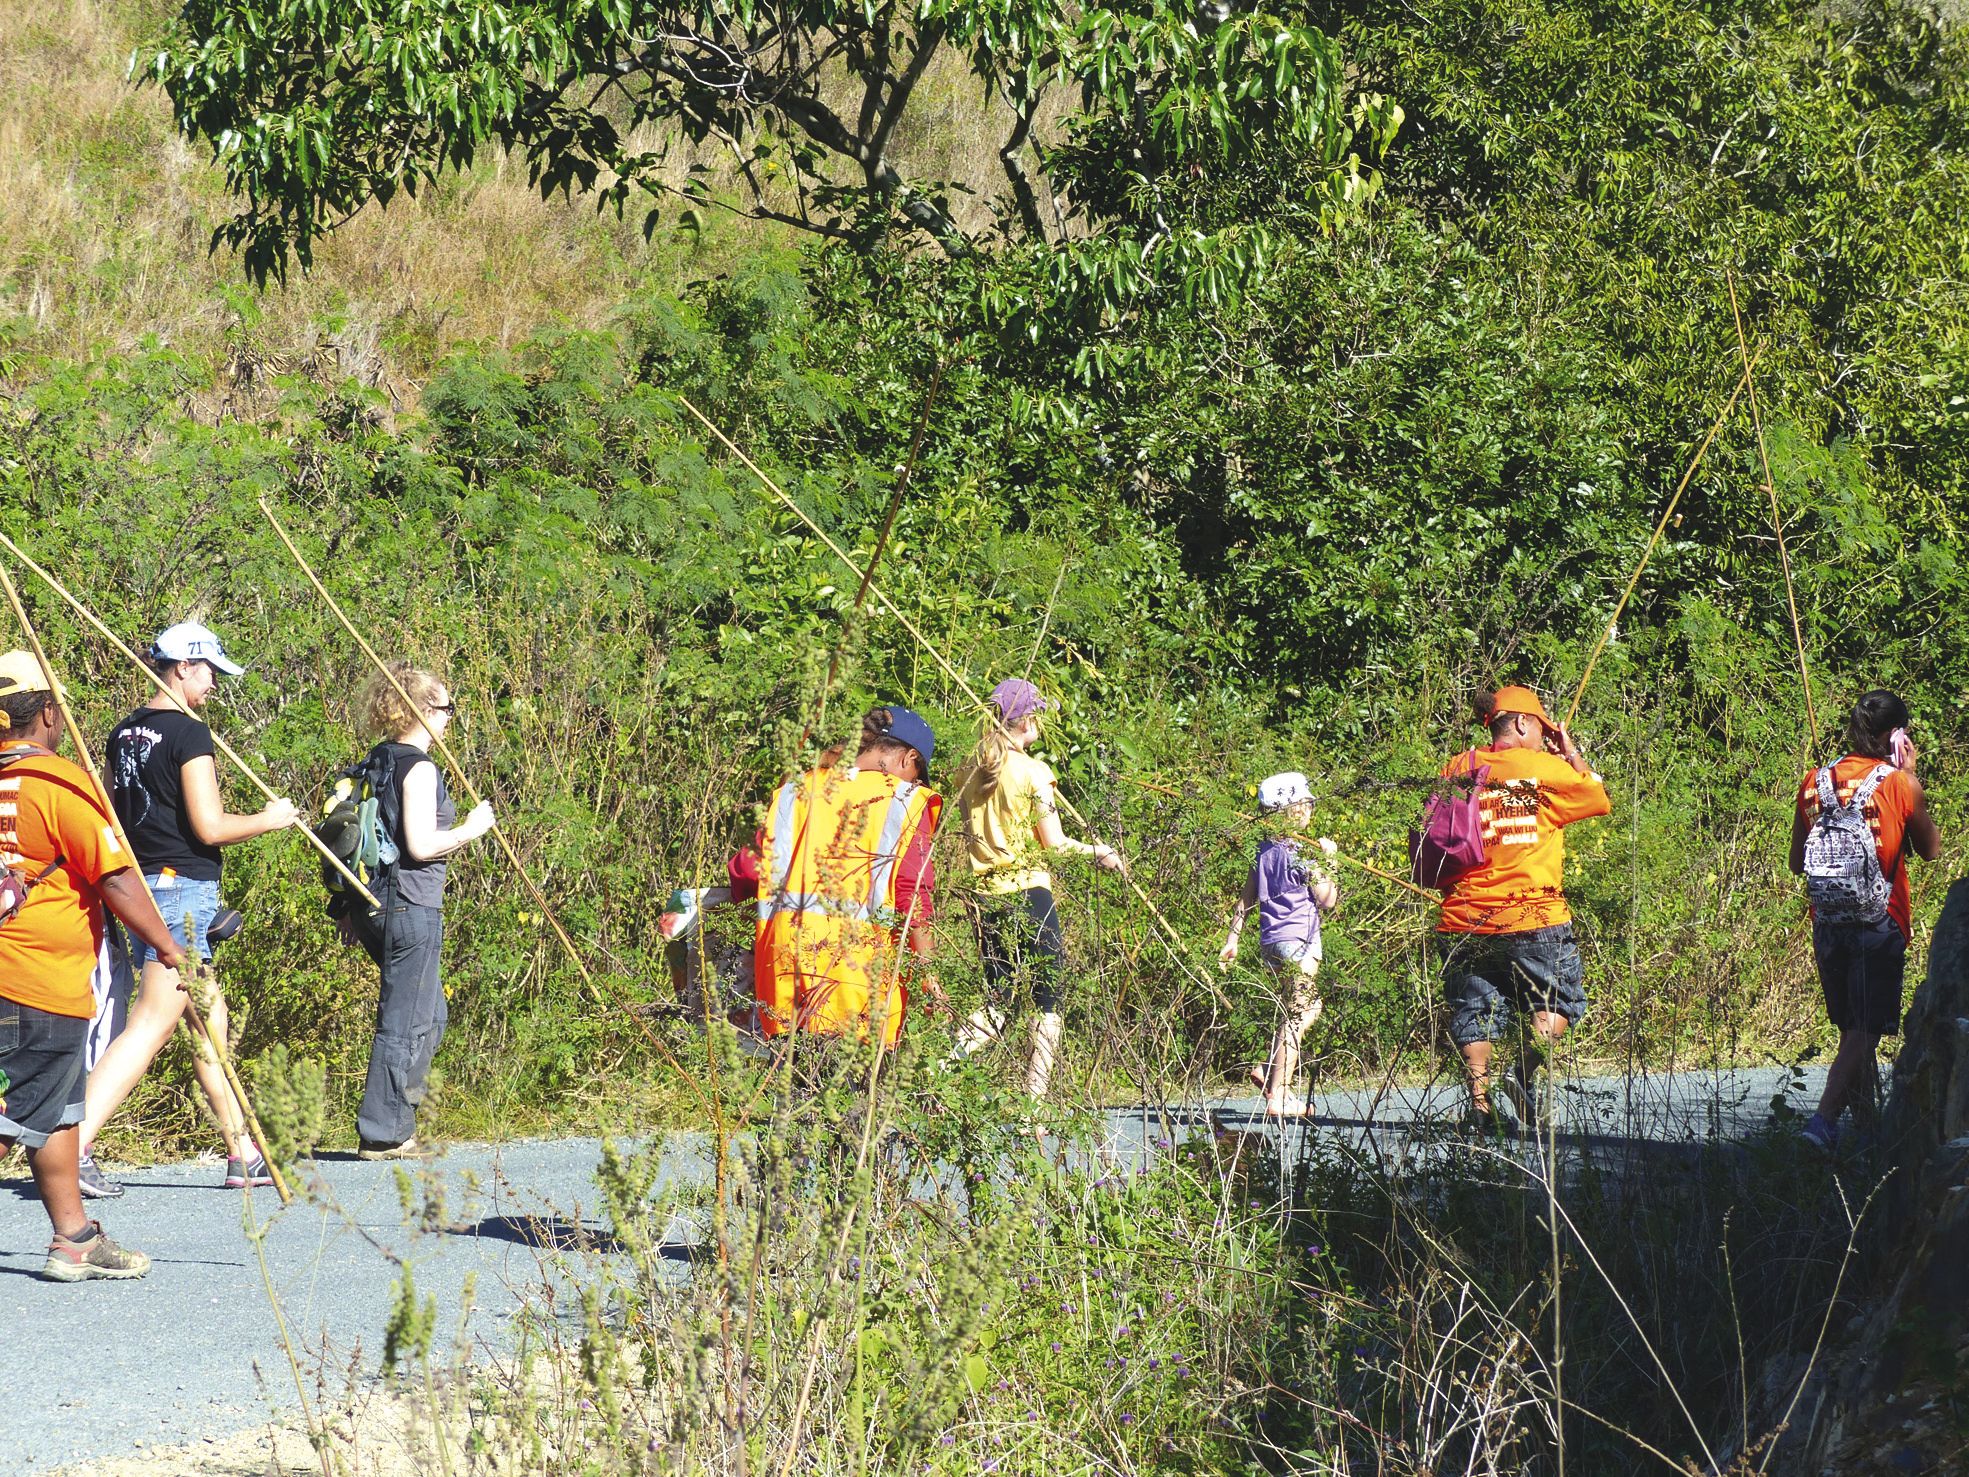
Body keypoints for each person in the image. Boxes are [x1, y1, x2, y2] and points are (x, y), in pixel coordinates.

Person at [78, 622, 298, 1196]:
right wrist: (270, 820)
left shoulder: (124, 733)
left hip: (138, 886)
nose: (216, 683)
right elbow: (209, 826)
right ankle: (72, 1141)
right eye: (210, 671)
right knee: (151, 1023)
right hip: (182, 893)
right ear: (183, 666)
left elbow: (114, 815)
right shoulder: (189, 734)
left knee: (208, 1018)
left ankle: (239, 1149)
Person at [0, 651, 185, 1280]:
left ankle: (73, 1237)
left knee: (55, 1109)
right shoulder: (60, 782)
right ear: (48, 712)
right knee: (18, 1112)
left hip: (14, 973)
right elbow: (114, 876)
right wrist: (166, 945)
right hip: (37, 978)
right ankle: (73, 1237)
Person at [1435, 686, 1610, 1131]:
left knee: (1473, 1012)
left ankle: (1480, 1108)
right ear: (1521, 723)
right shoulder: (1547, 768)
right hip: (1533, 916)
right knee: (1558, 1002)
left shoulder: (1459, 767)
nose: (1545, 738)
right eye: (1542, 728)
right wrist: (1571, 755)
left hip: (1464, 917)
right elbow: (1597, 796)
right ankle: (1522, 1073)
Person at [342, 663, 495, 1159]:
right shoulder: (419, 767)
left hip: (372, 904)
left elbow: (357, 833)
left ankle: (396, 1120)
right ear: (424, 712)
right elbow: (421, 844)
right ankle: (384, 1132)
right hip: (411, 904)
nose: (451, 718)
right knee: (406, 1020)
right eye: (447, 709)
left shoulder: (376, 761)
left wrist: (345, 907)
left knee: (430, 1013)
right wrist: (473, 827)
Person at [952, 679, 1124, 1099]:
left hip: (987, 895)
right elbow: (1057, 844)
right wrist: (1098, 851)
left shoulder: (968, 769)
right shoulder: (1034, 772)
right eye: (1038, 714)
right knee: (1049, 1001)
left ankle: (939, 1068)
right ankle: (1034, 1102)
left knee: (998, 1001)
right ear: (1026, 719)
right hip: (1029, 893)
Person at [1789, 690, 1940, 1152]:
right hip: (1880, 920)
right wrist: (1910, 775)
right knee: (1866, 1028)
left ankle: (1865, 1136)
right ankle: (1823, 1122)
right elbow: (1931, 849)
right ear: (1896, 735)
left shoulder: (1816, 781)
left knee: (1852, 1028)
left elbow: (1797, 862)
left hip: (1828, 921)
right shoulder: (1899, 784)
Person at [755, 705, 941, 1046]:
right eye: (918, 772)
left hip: (783, 974)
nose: (915, 782)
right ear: (908, 757)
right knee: (847, 1095)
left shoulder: (794, 790)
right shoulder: (903, 799)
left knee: (793, 1091)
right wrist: (928, 976)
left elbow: (748, 867)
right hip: (856, 979)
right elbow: (911, 892)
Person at [1218, 772, 1339, 1117]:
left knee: (1303, 1008)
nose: (1309, 809)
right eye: (1306, 803)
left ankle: (1267, 1068)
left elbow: (1245, 899)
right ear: (1296, 810)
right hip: (1299, 942)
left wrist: (1233, 939)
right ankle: (1280, 1094)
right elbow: (1327, 898)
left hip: (1270, 943)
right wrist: (1330, 860)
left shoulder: (1264, 852)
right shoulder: (1300, 853)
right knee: (1299, 1015)